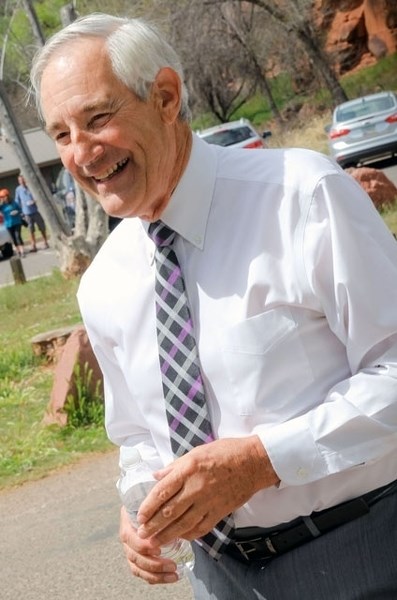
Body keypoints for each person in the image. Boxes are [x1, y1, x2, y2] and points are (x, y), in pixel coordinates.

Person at [30, 13, 397, 600]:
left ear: (167, 97)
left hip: (366, 554)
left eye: (98, 119)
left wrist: (263, 460)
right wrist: (139, 505)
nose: (82, 153)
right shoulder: (102, 284)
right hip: (221, 582)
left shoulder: (300, 196)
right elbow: (137, 438)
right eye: (61, 133)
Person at [14, 174, 49, 252]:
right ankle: (33, 246)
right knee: (31, 230)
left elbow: (36, 196)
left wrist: (33, 201)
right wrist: (20, 211)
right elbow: (17, 201)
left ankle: (45, 242)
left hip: (35, 211)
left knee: (42, 227)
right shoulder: (18, 190)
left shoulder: (30, 187)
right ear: (19, 181)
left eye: (23, 180)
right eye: (20, 180)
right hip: (27, 213)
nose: (22, 181)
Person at [0, 188, 25, 258]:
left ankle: (22, 251)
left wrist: (17, 212)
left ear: (7, 196)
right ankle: (18, 252)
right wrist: (1, 202)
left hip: (17, 222)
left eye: (3, 196)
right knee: (13, 238)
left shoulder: (14, 203)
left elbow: (20, 209)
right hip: (8, 224)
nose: (3, 198)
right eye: (1, 197)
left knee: (18, 236)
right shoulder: (2, 206)